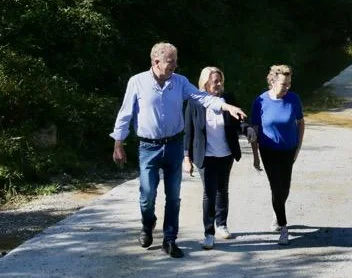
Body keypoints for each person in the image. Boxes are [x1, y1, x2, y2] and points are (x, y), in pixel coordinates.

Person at [111, 42, 247, 258]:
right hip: (148, 147)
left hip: (174, 145)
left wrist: (226, 106)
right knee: (147, 195)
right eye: (170, 61)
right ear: (156, 62)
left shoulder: (180, 82)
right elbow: (125, 113)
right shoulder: (137, 82)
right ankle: (148, 226)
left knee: (173, 197)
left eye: (175, 61)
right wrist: (119, 143)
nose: (175, 65)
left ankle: (169, 239)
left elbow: (202, 97)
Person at [183, 66, 256, 250]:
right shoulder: (195, 102)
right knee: (209, 191)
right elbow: (188, 132)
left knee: (222, 189)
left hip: (226, 153)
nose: (218, 84)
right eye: (215, 81)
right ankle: (209, 233)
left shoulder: (228, 100)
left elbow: (239, 121)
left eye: (220, 81)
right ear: (205, 82)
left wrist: (247, 130)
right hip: (205, 154)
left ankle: (221, 224)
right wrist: (186, 157)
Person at [251, 64, 305, 246]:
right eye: (284, 84)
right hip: (268, 150)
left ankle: (277, 209)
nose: (287, 87)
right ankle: (283, 227)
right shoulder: (260, 101)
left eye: (289, 83)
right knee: (276, 187)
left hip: (288, 150)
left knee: (285, 187)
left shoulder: (294, 99)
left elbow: (300, 123)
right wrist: (255, 156)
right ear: (272, 82)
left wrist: (298, 147)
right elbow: (255, 130)